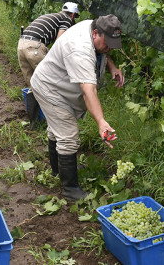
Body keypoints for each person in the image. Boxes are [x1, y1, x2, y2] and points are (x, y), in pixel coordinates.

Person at [30, 14, 125, 200]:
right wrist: (101, 122)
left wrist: (112, 67)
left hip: (56, 84)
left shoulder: (94, 27)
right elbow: (88, 90)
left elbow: (103, 51)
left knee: (56, 130)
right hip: (50, 88)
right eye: (107, 43)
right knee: (68, 135)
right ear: (96, 33)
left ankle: (59, 171)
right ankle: (70, 189)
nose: (109, 48)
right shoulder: (79, 49)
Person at [17, 2, 80, 87]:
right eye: (75, 17)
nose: (74, 20)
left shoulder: (52, 16)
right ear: (73, 14)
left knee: (33, 83)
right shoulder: (67, 19)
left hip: (21, 44)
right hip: (34, 46)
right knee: (49, 79)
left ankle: (32, 100)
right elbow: (59, 40)